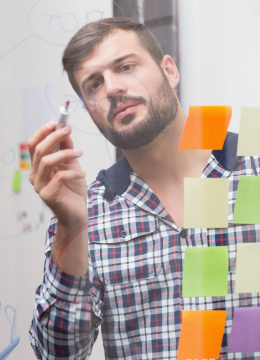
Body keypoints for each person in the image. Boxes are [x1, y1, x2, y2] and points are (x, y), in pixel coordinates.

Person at [28, 17, 260, 359]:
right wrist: (71, 227)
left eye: (125, 66)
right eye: (93, 85)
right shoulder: (85, 214)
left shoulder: (252, 168)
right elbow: (58, 354)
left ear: (169, 70)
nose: (111, 88)